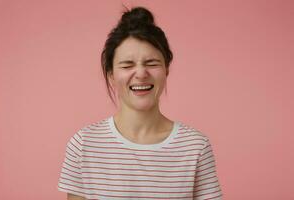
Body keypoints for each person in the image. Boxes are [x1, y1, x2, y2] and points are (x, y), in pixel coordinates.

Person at [58, 6, 222, 200]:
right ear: (111, 75)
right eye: (127, 65)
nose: (141, 74)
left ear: (166, 70)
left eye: (152, 63)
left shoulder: (195, 147)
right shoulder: (83, 144)